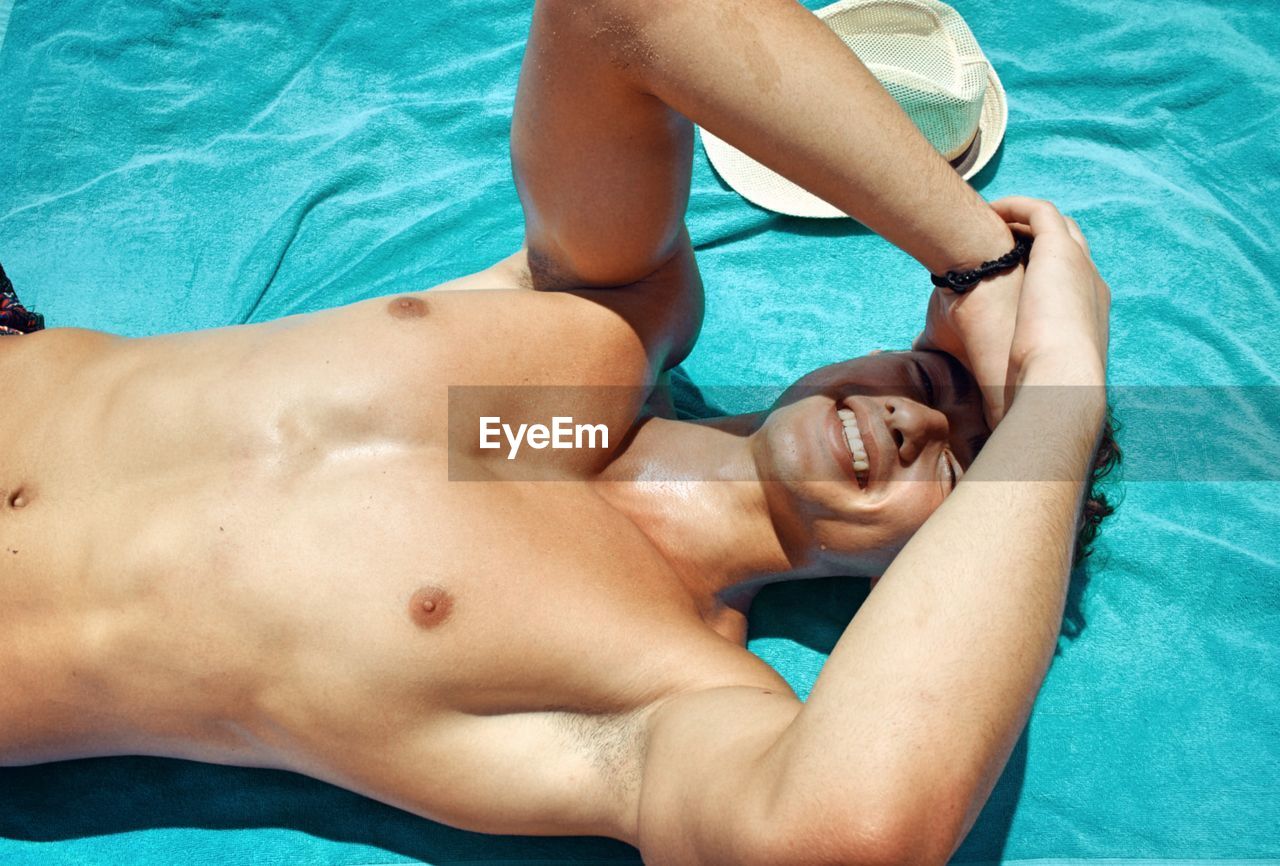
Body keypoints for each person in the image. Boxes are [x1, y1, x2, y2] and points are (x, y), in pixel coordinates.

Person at [0, 0, 1114, 863]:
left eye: (960, 465)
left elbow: (836, 834)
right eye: (931, 374)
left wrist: (1058, 397)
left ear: (942, 571)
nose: (914, 417)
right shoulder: (609, 317)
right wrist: (983, 265)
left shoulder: (661, 683)